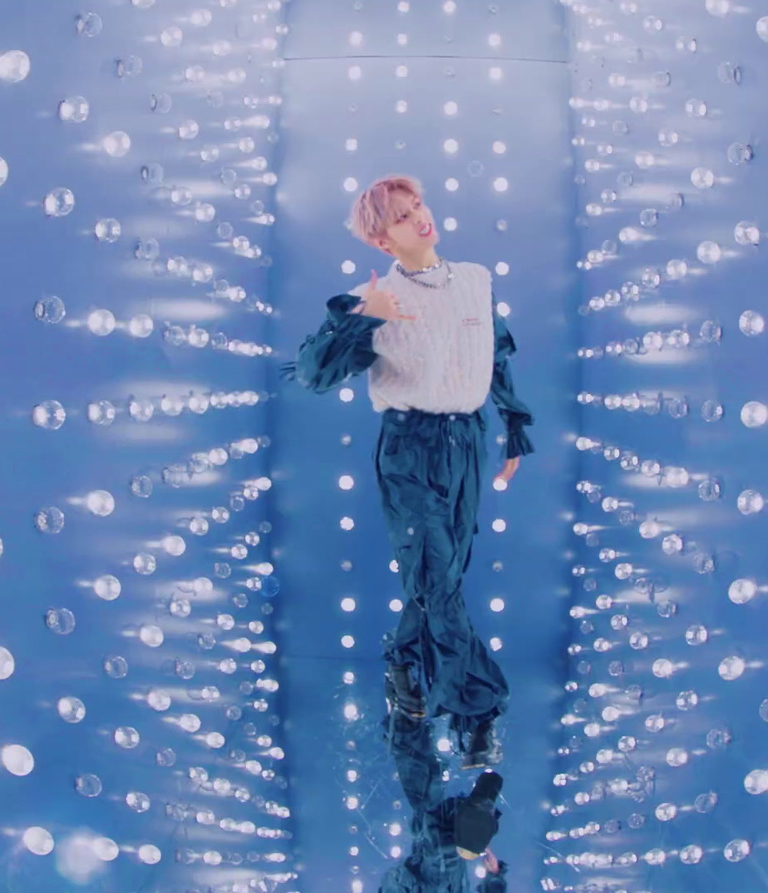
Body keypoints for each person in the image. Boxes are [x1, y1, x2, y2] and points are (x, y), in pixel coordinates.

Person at [280, 174, 534, 768]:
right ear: (382, 241)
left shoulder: (475, 281)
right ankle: (477, 712)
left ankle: (403, 667)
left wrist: (514, 426)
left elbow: (494, 353)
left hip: (466, 443)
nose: (418, 216)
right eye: (400, 215)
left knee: (437, 578)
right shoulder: (371, 298)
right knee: (438, 581)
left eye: (417, 204)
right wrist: (364, 317)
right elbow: (313, 375)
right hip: (409, 449)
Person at [375, 666, 510, 893]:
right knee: (432, 796)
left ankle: (405, 711)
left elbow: (395, 882)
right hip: (451, 846)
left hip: (436, 845)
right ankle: (415, 711)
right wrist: (494, 876)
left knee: (426, 790)